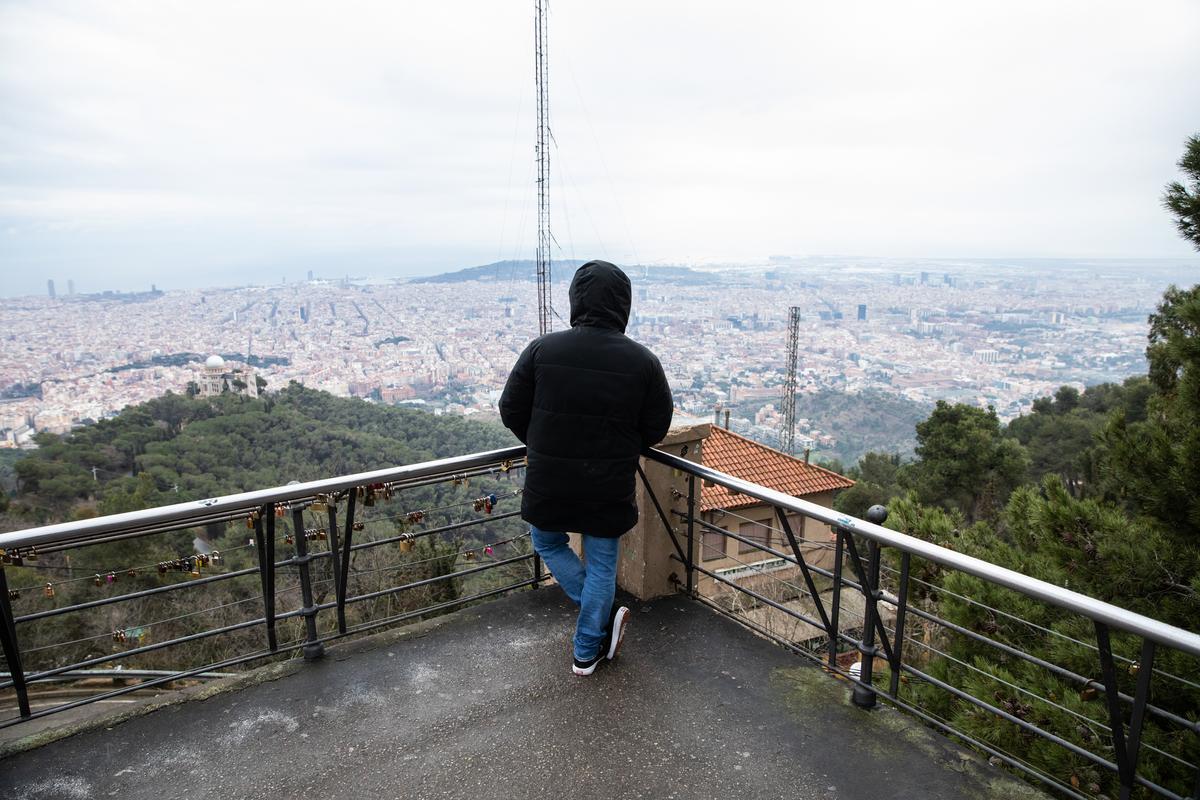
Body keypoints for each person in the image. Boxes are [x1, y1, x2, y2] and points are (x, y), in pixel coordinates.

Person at [500, 260, 674, 675]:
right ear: (623, 305)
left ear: (576, 299)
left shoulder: (544, 349)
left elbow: (510, 409)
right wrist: (620, 445)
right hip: (607, 482)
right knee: (601, 564)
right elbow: (657, 426)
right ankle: (586, 649)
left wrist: (544, 442)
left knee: (546, 541)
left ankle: (601, 617)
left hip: (550, 479)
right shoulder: (642, 361)